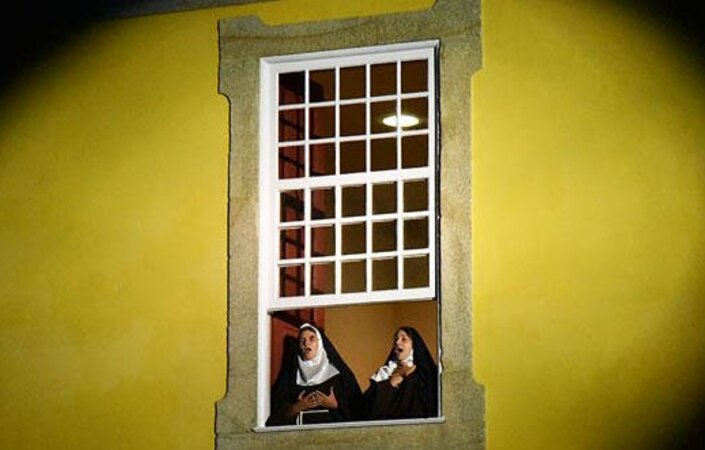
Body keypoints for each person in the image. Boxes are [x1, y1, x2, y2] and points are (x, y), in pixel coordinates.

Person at [266, 323, 362, 426]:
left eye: (312, 339)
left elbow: (359, 411)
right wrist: (297, 407)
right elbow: (274, 418)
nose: (306, 344)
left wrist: (335, 405)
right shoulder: (290, 377)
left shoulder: (339, 376)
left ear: (320, 344)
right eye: (302, 341)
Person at [362, 326, 438, 420]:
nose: (397, 342)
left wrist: (409, 376)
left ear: (414, 345)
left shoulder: (424, 374)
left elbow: (424, 406)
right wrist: (390, 384)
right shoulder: (385, 372)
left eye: (404, 339)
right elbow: (366, 405)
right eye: (396, 340)